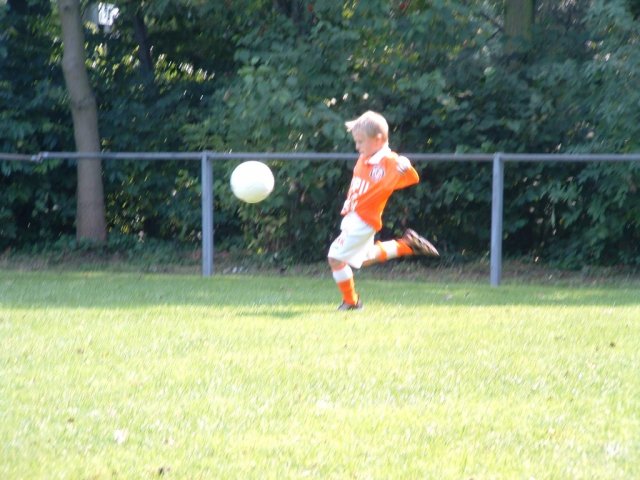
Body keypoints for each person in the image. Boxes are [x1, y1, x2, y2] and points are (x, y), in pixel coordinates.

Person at [327, 110, 439, 311]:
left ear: (378, 140)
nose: (357, 146)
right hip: (354, 216)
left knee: (335, 258)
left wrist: (405, 165)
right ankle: (406, 245)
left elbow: (411, 177)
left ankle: (352, 302)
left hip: (363, 219)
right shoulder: (367, 156)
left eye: (360, 141)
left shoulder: (390, 160)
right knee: (363, 258)